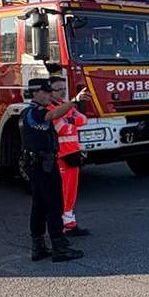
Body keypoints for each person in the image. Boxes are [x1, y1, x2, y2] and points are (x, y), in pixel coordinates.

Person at [20, 78, 82, 261]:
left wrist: (61, 102)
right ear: (35, 92)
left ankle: (38, 247)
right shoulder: (35, 112)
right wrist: (74, 101)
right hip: (43, 166)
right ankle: (59, 248)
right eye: (46, 92)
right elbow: (52, 115)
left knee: (39, 206)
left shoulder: (27, 112)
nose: (49, 95)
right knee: (54, 205)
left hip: (36, 164)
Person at [54, 99, 91, 235]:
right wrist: (73, 121)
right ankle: (61, 225)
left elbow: (84, 119)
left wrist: (70, 121)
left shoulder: (65, 104)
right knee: (63, 191)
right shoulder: (52, 108)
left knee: (71, 191)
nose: (62, 92)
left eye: (62, 89)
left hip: (72, 154)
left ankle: (69, 223)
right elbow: (60, 128)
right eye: (58, 89)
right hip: (61, 155)